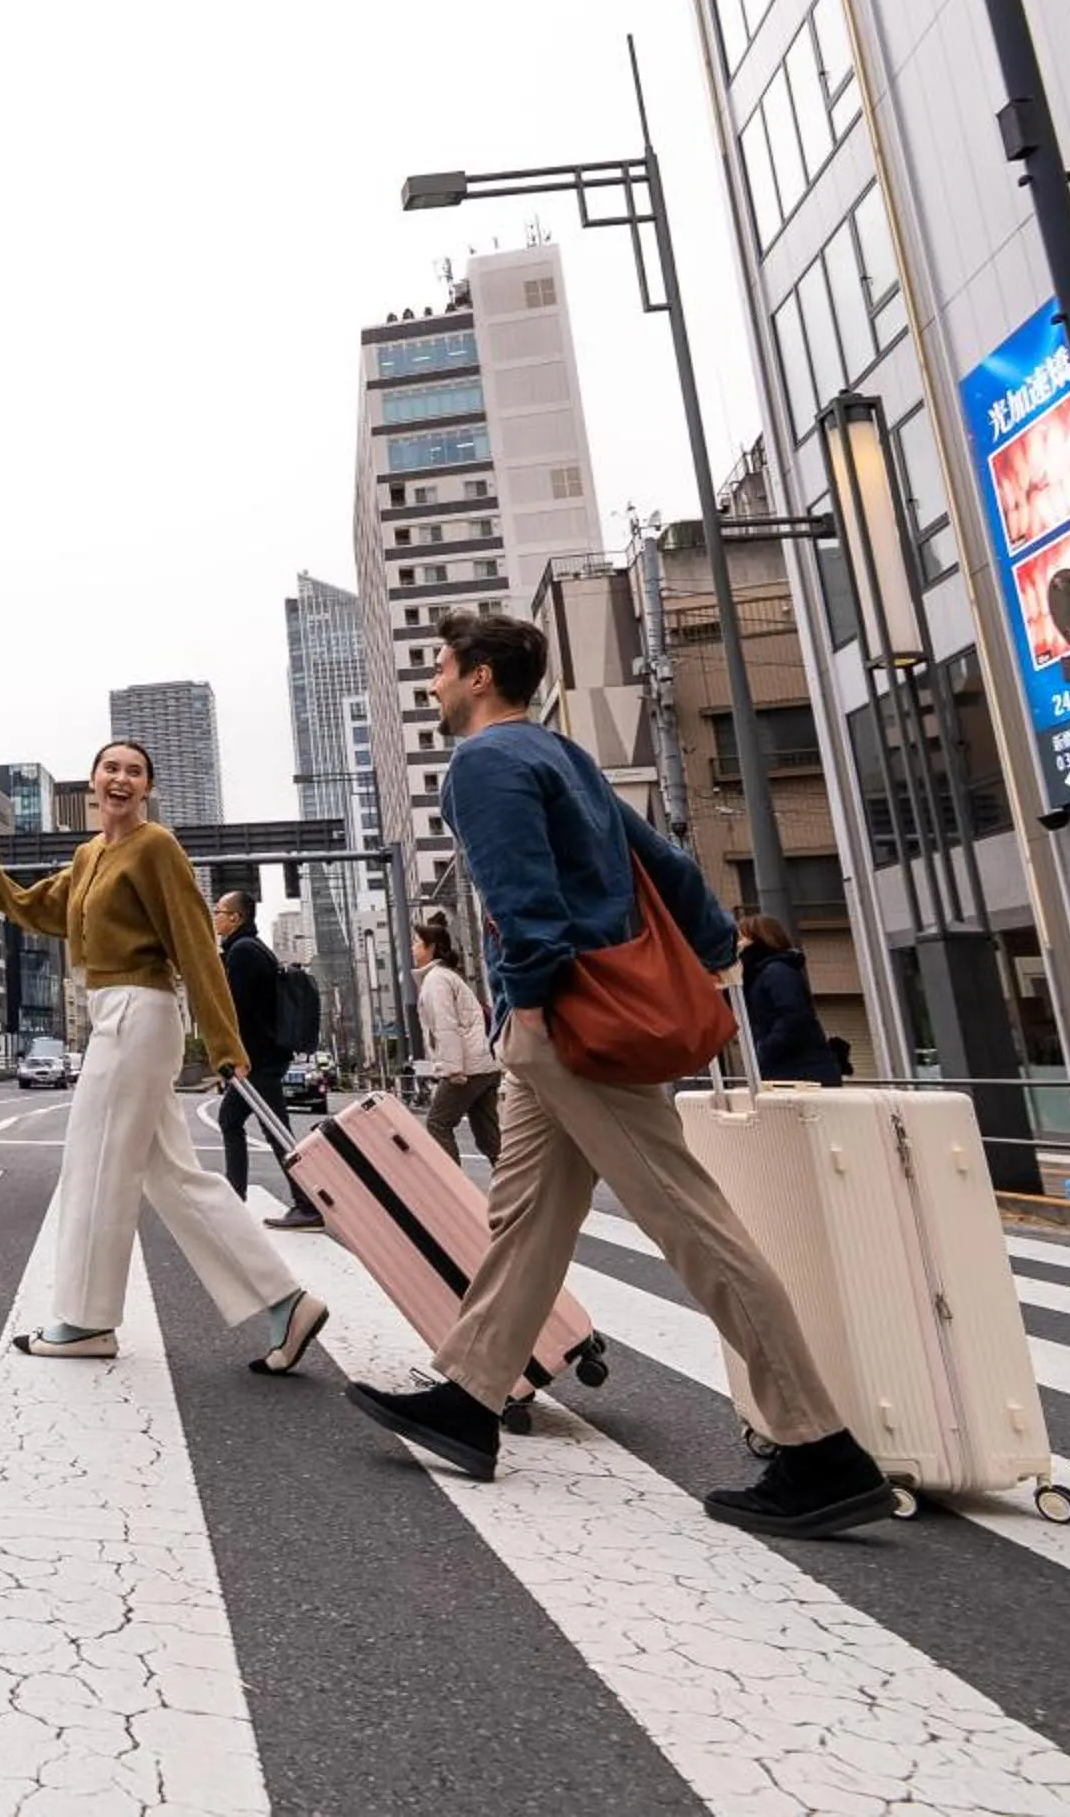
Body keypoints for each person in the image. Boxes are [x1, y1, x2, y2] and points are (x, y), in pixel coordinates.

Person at [348, 613, 893, 1541]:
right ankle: (470, 1399)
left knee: (690, 1220)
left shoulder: (485, 764)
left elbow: (527, 903)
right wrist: (721, 955)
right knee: (525, 1216)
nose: (433, 684)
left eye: (440, 669)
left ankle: (820, 1446)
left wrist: (527, 1001)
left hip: (568, 1023)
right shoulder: (564, 756)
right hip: (584, 1015)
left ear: (480, 677)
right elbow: (669, 864)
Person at [0, 739, 329, 1372]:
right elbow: (34, 909)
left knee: (94, 1162)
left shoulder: (156, 847)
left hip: (138, 1012)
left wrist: (223, 1042)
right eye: (110, 768)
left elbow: (194, 944)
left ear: (146, 788)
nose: (120, 778)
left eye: (134, 771)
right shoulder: (89, 855)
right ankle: (285, 1303)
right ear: (93, 783)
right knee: (172, 1176)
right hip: (113, 1014)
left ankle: (85, 1320)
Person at [212, 890, 320, 1231]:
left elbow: (245, 1013)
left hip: (259, 1059)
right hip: (265, 1057)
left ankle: (307, 1204)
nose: (215, 917)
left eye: (219, 911)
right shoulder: (249, 949)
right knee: (233, 1120)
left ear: (235, 918)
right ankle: (236, 1196)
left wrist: (240, 1058)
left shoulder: (243, 952)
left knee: (277, 1133)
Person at [413, 916, 503, 1167]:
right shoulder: (447, 976)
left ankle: (453, 1192)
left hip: (467, 1067)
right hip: (484, 1064)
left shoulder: (436, 979)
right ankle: (521, 1193)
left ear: (430, 948)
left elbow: (446, 1026)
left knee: (437, 1123)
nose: (412, 947)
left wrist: (453, 1070)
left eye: (417, 943)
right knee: (489, 1139)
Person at [738, 914, 843, 1086]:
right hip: (789, 1068)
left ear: (758, 939)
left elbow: (794, 1017)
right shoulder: (759, 975)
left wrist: (763, 1050)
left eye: (742, 938)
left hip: (800, 1071)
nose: (737, 945)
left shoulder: (776, 971)